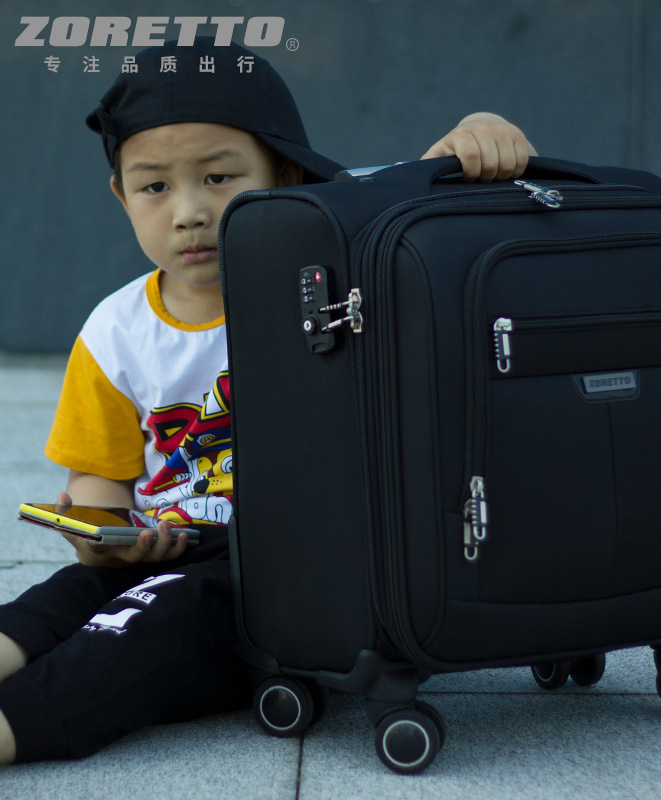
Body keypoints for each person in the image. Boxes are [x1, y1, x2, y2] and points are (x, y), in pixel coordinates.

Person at [0, 38, 536, 764]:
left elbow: (410, 211)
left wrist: (478, 132)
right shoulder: (114, 332)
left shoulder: (329, 289)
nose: (189, 213)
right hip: (164, 551)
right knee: (58, 600)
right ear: (121, 196)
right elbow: (98, 482)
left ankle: (12, 730)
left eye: (219, 177)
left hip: (287, 575)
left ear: (282, 176)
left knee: (142, 630)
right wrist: (104, 536)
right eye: (155, 188)